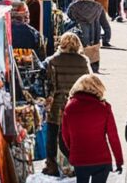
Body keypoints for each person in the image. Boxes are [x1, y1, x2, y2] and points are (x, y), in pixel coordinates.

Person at [44, 33, 91, 176]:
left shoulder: (53, 60)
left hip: (58, 105)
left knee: (53, 134)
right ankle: (77, 164)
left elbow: (50, 85)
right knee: (75, 136)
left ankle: (52, 165)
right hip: (77, 104)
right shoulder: (84, 61)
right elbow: (88, 84)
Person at [60, 74, 123, 183]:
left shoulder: (69, 107)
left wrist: (73, 150)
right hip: (102, 159)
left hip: (80, 159)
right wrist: (119, 160)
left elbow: (65, 135)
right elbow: (113, 137)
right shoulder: (104, 107)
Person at [66, 0, 112, 73]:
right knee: (94, 59)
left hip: (80, 40)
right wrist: (106, 39)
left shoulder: (73, 7)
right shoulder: (98, 7)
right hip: (94, 41)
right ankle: (94, 67)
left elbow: (68, 20)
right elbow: (106, 26)